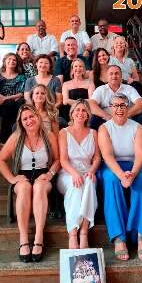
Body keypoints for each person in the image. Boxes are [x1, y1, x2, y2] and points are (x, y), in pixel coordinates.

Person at [0, 104, 60, 262]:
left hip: (44, 176)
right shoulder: (16, 137)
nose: (29, 120)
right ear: (20, 122)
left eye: (31, 116)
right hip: (22, 177)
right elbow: (0, 160)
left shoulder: (50, 135)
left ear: (38, 117)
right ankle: (23, 239)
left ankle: (39, 237)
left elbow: (58, 160)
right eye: (25, 118)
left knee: (38, 187)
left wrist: (50, 174)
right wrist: (12, 178)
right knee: (24, 187)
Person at [98, 93, 142, 261]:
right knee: (111, 180)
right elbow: (107, 156)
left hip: (135, 165)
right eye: (115, 105)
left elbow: (141, 154)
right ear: (110, 108)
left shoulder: (137, 127)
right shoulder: (104, 128)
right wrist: (122, 175)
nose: (119, 109)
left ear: (128, 107)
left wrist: (133, 173)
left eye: (123, 105)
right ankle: (119, 237)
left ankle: (141, 235)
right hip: (113, 166)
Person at [57, 100, 100, 249]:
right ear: (72, 113)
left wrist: (92, 170)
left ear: (88, 114)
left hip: (88, 172)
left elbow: (97, 157)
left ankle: (84, 231)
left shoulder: (93, 133)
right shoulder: (64, 132)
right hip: (68, 173)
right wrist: (74, 173)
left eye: (83, 110)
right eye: (77, 110)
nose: (80, 113)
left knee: (88, 183)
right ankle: (73, 233)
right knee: (76, 187)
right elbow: (62, 159)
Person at [109, 36, 142, 127]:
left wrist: (132, 79)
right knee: (137, 87)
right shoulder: (110, 59)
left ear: (125, 46)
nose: (119, 44)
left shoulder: (129, 60)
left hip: (131, 84)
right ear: (113, 46)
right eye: (117, 42)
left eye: (122, 42)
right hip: (118, 84)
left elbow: (136, 78)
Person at [89, 65, 142, 130]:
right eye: (111, 74)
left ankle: (139, 139)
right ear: (107, 77)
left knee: (140, 118)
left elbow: (141, 103)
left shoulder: (129, 88)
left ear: (121, 76)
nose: (114, 76)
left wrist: (125, 116)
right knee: (94, 119)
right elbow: (91, 104)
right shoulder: (101, 89)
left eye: (117, 73)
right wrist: (107, 116)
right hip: (107, 118)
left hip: (127, 116)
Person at [0, 53, 26, 144]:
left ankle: (4, 140)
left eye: (14, 60)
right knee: (9, 104)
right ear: (5, 62)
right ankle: (15, 138)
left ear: (17, 63)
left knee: (18, 103)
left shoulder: (21, 77)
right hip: (2, 105)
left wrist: (6, 98)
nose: (11, 61)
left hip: (16, 103)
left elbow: (21, 93)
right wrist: (3, 99)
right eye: (9, 59)